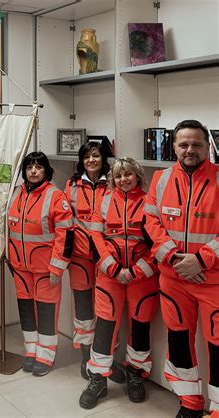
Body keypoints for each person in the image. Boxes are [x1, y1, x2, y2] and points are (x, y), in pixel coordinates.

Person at [144, 120, 219, 418]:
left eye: (196, 144)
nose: (190, 150)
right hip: (173, 279)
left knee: (218, 348)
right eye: (183, 144)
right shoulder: (160, 180)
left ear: (207, 147)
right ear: (173, 147)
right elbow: (150, 223)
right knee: (179, 342)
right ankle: (190, 403)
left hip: (213, 281)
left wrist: (200, 260)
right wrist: (177, 259)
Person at [79, 157, 159, 409]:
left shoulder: (150, 203)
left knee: (140, 325)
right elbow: (95, 235)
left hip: (142, 277)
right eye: (118, 176)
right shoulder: (105, 201)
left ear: (138, 176)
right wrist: (112, 268)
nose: (123, 179)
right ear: (112, 179)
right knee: (104, 326)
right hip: (109, 275)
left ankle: (136, 373)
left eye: (128, 174)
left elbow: (159, 242)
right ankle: (98, 378)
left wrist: (138, 270)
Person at [7, 152, 74, 376]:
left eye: (38, 167)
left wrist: (57, 267)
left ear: (46, 170)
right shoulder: (15, 193)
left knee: (46, 311)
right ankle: (31, 351)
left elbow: (66, 235)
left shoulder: (56, 196)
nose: (33, 171)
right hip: (20, 267)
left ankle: (45, 356)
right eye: (29, 167)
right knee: (26, 310)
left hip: (47, 269)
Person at [65, 141, 126, 383]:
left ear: (103, 159)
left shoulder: (112, 184)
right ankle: (85, 356)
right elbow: (65, 220)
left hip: (106, 259)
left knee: (107, 310)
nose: (91, 160)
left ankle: (107, 358)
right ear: (81, 159)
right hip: (79, 257)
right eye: (87, 156)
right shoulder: (71, 184)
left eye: (96, 156)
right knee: (83, 309)